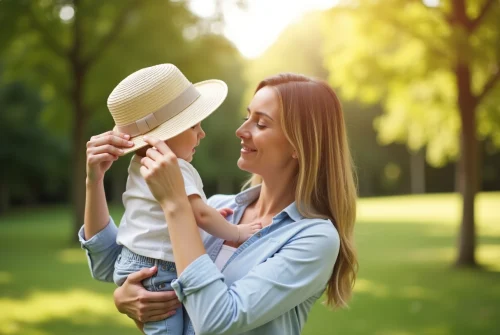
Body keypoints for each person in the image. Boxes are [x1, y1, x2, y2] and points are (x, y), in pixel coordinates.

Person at [80, 72, 358, 335]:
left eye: (260, 124)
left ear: (300, 144)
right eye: (246, 117)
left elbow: (217, 320)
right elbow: (109, 266)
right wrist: (94, 180)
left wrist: (175, 204)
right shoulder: (215, 207)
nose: (240, 130)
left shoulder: (314, 238)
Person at [84, 63, 261, 335]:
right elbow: (200, 213)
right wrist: (237, 231)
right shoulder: (175, 167)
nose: (201, 134)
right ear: (162, 135)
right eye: (193, 126)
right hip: (160, 272)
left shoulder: (138, 164)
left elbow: (187, 214)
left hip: (134, 263)